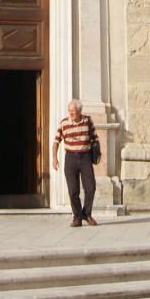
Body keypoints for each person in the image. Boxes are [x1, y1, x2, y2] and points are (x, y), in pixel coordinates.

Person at [52, 97, 98, 226]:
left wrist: (96, 155)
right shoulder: (64, 123)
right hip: (70, 158)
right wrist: (54, 158)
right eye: (69, 111)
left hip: (85, 157)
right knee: (73, 190)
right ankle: (77, 217)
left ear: (80, 111)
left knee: (91, 187)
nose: (71, 113)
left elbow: (95, 139)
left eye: (74, 111)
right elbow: (56, 142)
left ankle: (86, 213)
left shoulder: (88, 121)